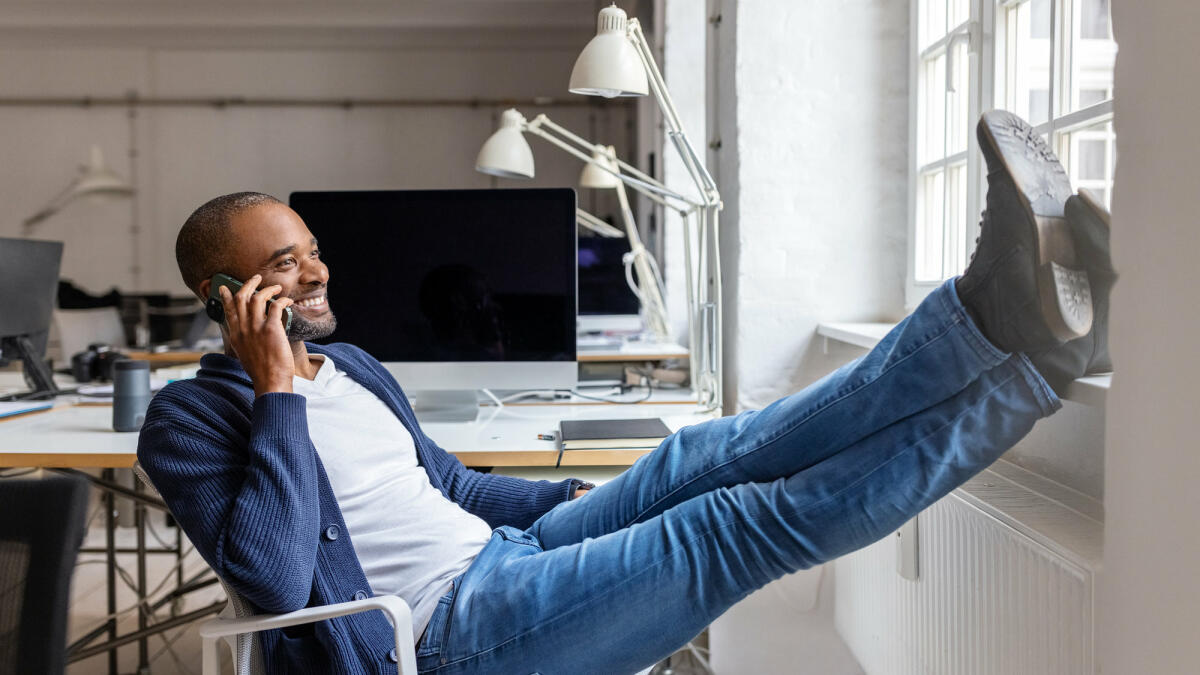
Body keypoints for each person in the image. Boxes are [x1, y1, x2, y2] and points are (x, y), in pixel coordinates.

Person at [137, 111, 1114, 675]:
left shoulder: (352, 368)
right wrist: (275, 393)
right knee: (726, 525)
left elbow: (452, 488)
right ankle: (1024, 357)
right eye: (281, 265)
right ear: (222, 294)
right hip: (439, 640)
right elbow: (267, 574)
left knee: (698, 461)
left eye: (311, 253)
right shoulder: (190, 418)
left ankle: (1008, 326)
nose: (313, 277)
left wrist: (581, 506)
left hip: (508, 555)